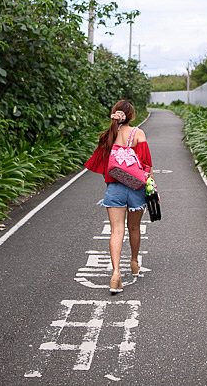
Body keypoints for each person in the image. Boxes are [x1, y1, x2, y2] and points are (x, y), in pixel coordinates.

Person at [83, 99, 152, 295]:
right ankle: (134, 262)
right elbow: (146, 164)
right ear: (131, 116)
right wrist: (152, 187)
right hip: (136, 188)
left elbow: (99, 163)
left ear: (115, 114)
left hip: (114, 189)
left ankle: (115, 274)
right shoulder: (138, 134)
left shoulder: (108, 136)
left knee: (116, 231)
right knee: (134, 227)